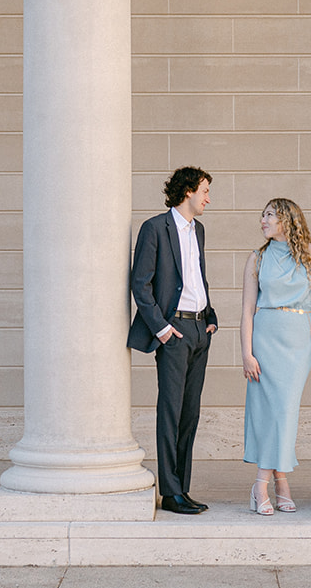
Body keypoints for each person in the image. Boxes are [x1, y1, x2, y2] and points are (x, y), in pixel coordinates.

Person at [239, 198, 311, 515]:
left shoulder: (308, 252)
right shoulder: (257, 258)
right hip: (265, 335)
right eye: (262, 215)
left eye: (270, 215)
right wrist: (246, 353)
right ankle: (272, 483)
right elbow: (247, 311)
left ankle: (270, 483)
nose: (263, 220)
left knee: (285, 410)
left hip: (298, 338)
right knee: (270, 411)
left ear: (287, 220)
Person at [127, 166, 218, 515]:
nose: (208, 198)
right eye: (205, 190)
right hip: (174, 332)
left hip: (199, 330)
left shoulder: (200, 231)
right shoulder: (155, 228)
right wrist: (162, 329)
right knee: (171, 411)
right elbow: (141, 284)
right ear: (188, 191)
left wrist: (209, 316)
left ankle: (183, 488)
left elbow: (196, 279)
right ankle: (170, 491)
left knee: (190, 413)